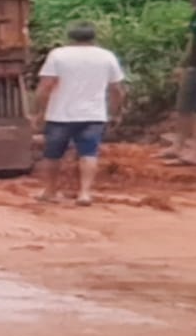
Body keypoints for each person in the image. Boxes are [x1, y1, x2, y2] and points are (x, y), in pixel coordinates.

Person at [31, 21, 126, 206]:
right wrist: (115, 112)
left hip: (60, 115)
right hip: (93, 115)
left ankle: (50, 192)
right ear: (93, 37)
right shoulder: (107, 57)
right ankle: (84, 194)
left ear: (70, 37)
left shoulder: (58, 55)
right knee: (89, 153)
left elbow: (45, 86)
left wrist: (39, 111)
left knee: (53, 154)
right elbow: (117, 89)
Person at [155, 0, 196, 166]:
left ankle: (195, 152)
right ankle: (177, 146)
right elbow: (192, 43)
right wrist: (183, 64)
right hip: (193, 67)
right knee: (183, 107)